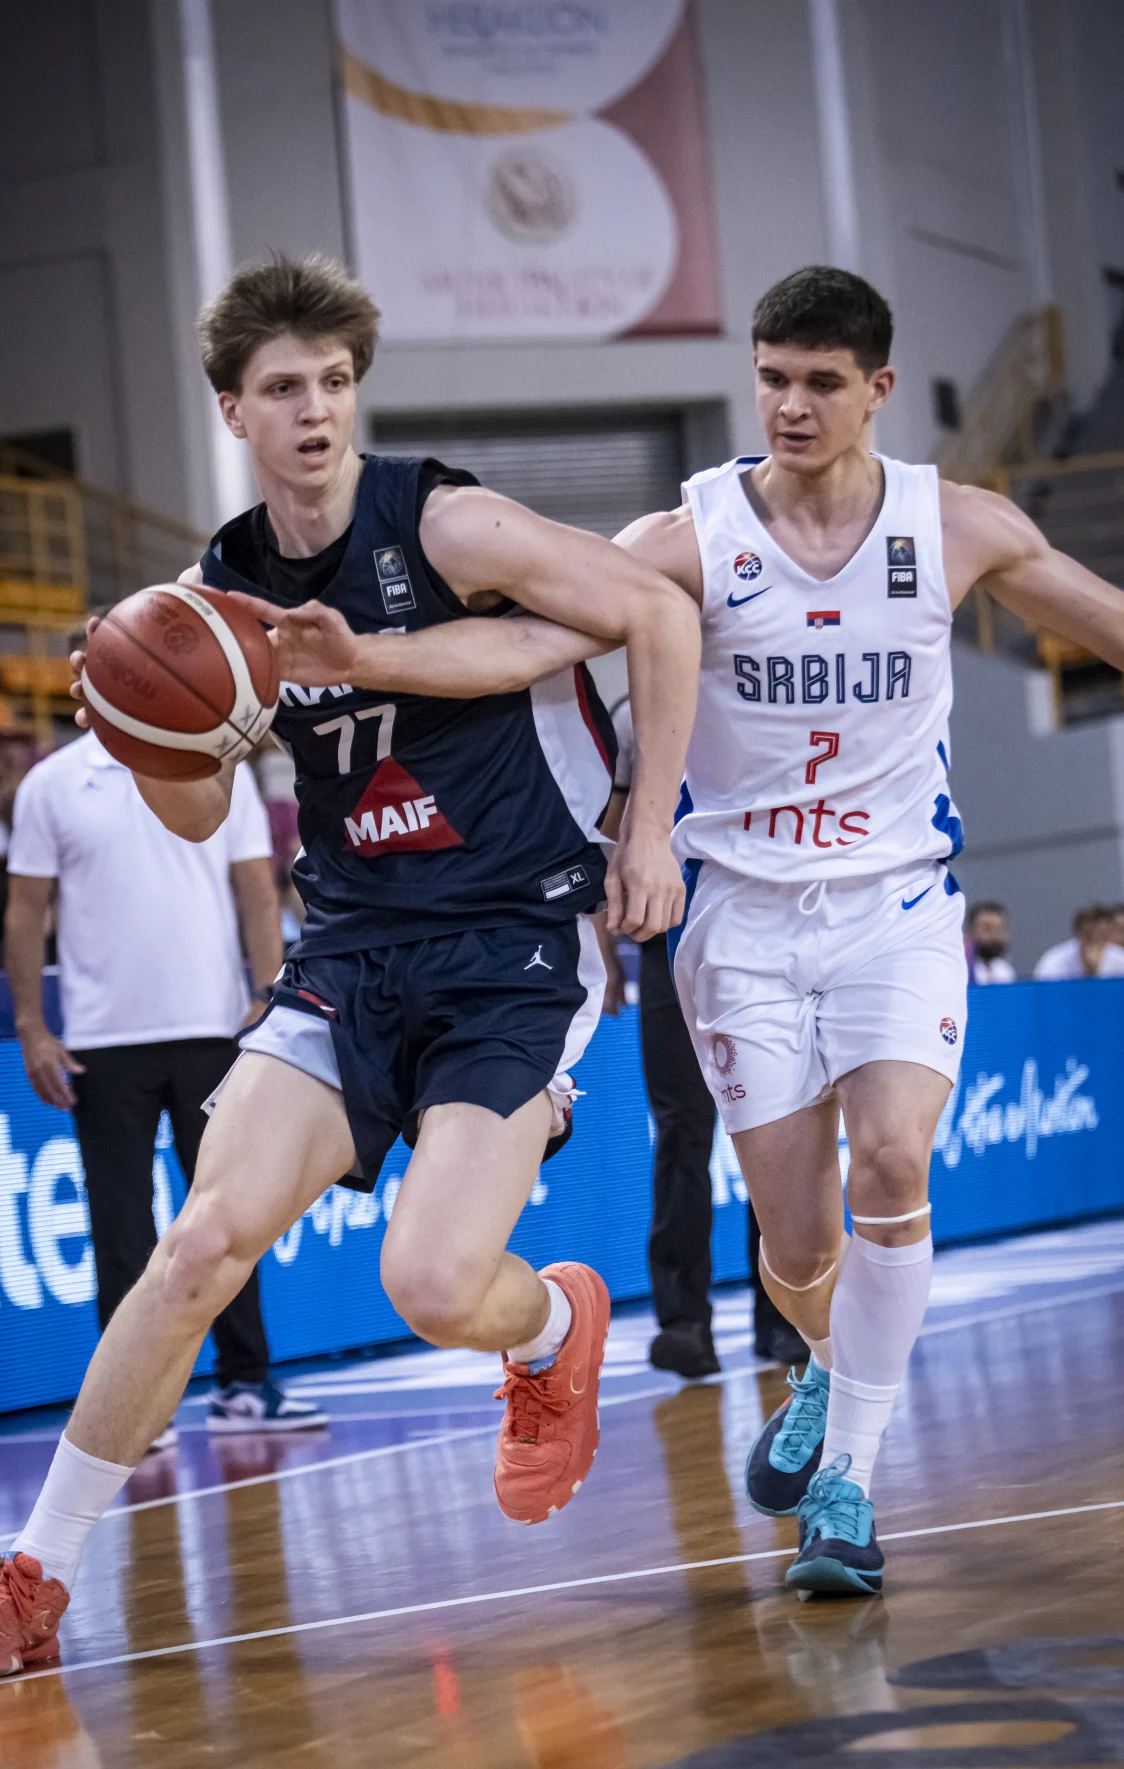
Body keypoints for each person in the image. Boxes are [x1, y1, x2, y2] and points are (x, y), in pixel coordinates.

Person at [173, 264, 1124, 1603]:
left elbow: (1107, 625)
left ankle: (847, 1476)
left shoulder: (954, 524)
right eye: (772, 377)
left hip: (900, 903)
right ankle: (828, 1382)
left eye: (822, 384)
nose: (791, 405)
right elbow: (517, 652)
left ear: (879, 392)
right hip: (738, 911)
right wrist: (376, 666)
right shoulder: (684, 537)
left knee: (896, 1160)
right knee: (796, 1251)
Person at [0, 252, 699, 1681]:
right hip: (350, 943)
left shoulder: (443, 519)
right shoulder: (214, 591)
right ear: (234, 408)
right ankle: (33, 1579)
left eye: (335, 383)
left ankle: (551, 1321)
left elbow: (657, 614)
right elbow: (198, 809)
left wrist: (647, 833)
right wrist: (158, 727)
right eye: (284, 388)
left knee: (432, 1284)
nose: (316, 411)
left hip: (512, 937)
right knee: (196, 1247)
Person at [4, 733, 326, 1443]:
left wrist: (270, 986)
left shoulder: (217, 772)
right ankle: (136, 1408)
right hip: (100, 1042)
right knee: (122, 1227)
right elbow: (26, 909)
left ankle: (246, 1382)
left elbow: (255, 886)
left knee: (232, 1217)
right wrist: (31, 1023)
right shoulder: (51, 783)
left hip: (213, 1028)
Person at [605, 699, 807, 1377]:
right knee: (682, 1131)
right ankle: (684, 1322)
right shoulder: (636, 708)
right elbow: (615, 828)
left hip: (763, 935)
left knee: (774, 1128)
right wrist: (605, 952)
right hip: (670, 941)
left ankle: (784, 1316)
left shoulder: (764, 678)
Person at [1034, 904, 1124, 979]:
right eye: (1090, 937)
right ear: (1077, 935)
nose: (1095, 945)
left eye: (1101, 938)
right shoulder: (1054, 962)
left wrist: (1096, 970)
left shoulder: (1119, 958)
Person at [965, 900, 1016, 984]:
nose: (994, 935)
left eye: (1000, 929)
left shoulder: (1004, 971)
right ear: (970, 931)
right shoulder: (961, 970)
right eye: (987, 929)